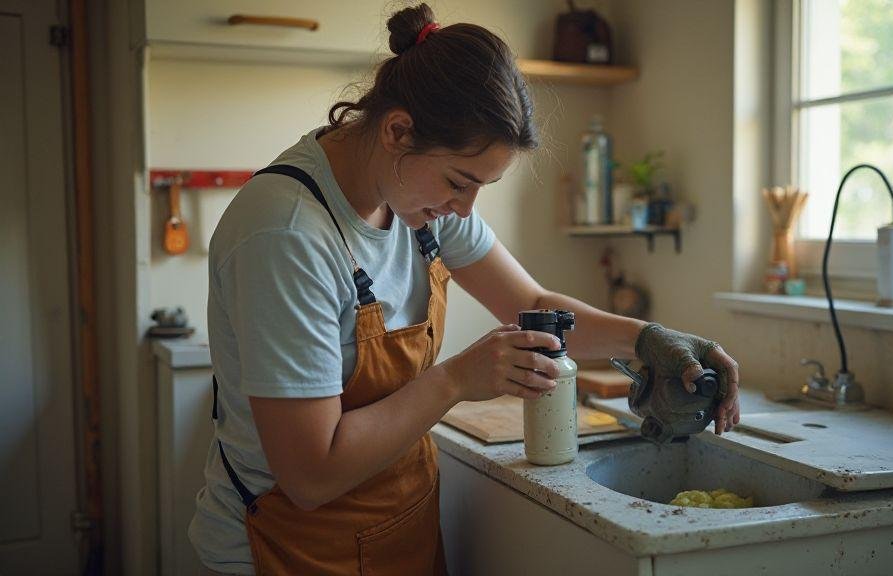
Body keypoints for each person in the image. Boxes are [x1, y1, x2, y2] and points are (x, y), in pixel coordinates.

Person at [188, 4, 741, 574]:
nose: (464, 209)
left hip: (396, 527)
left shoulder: (418, 196)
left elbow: (532, 307)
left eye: (481, 187)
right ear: (398, 131)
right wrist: (455, 379)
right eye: (459, 182)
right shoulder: (286, 234)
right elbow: (311, 473)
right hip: (287, 547)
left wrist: (648, 339)